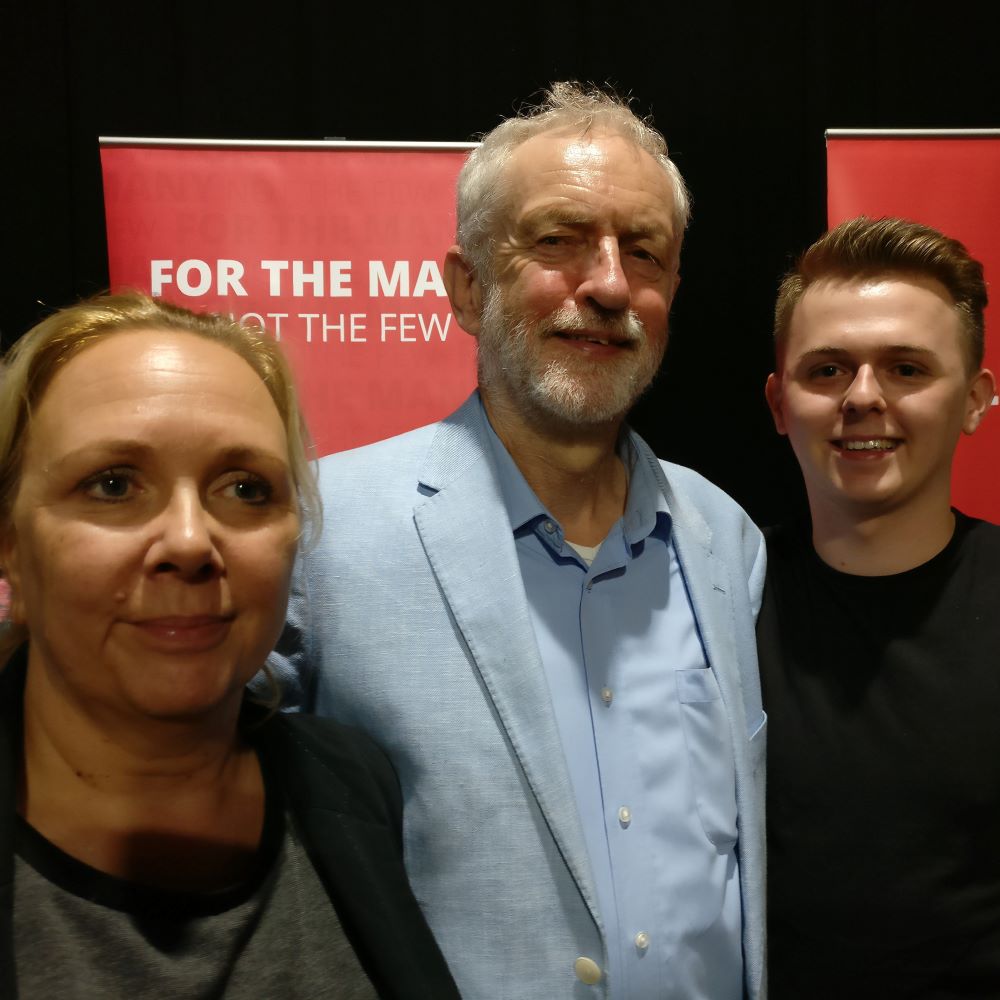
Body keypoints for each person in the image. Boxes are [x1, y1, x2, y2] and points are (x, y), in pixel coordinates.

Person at [272, 82, 767, 998]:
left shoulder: (727, 541)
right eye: (558, 240)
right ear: (467, 286)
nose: (610, 283)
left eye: (644, 251)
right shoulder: (322, 531)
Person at [0, 292, 459, 998]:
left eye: (245, 488)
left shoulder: (351, 785)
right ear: (11, 547)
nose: (189, 542)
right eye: (114, 484)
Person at [760, 216, 999, 998]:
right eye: (827, 370)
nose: (863, 398)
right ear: (778, 403)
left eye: (905, 368)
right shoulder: (706, 603)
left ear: (974, 399)